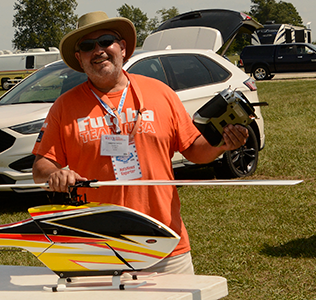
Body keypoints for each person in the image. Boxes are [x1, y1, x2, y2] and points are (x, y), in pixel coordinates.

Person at [31, 11, 249, 274]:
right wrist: (56, 173)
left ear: (122, 48)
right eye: (88, 46)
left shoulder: (160, 93)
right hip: (95, 247)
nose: (98, 50)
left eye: (105, 41)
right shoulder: (64, 107)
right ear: (79, 58)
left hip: (164, 243)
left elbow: (194, 150)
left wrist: (222, 144)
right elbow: (41, 166)